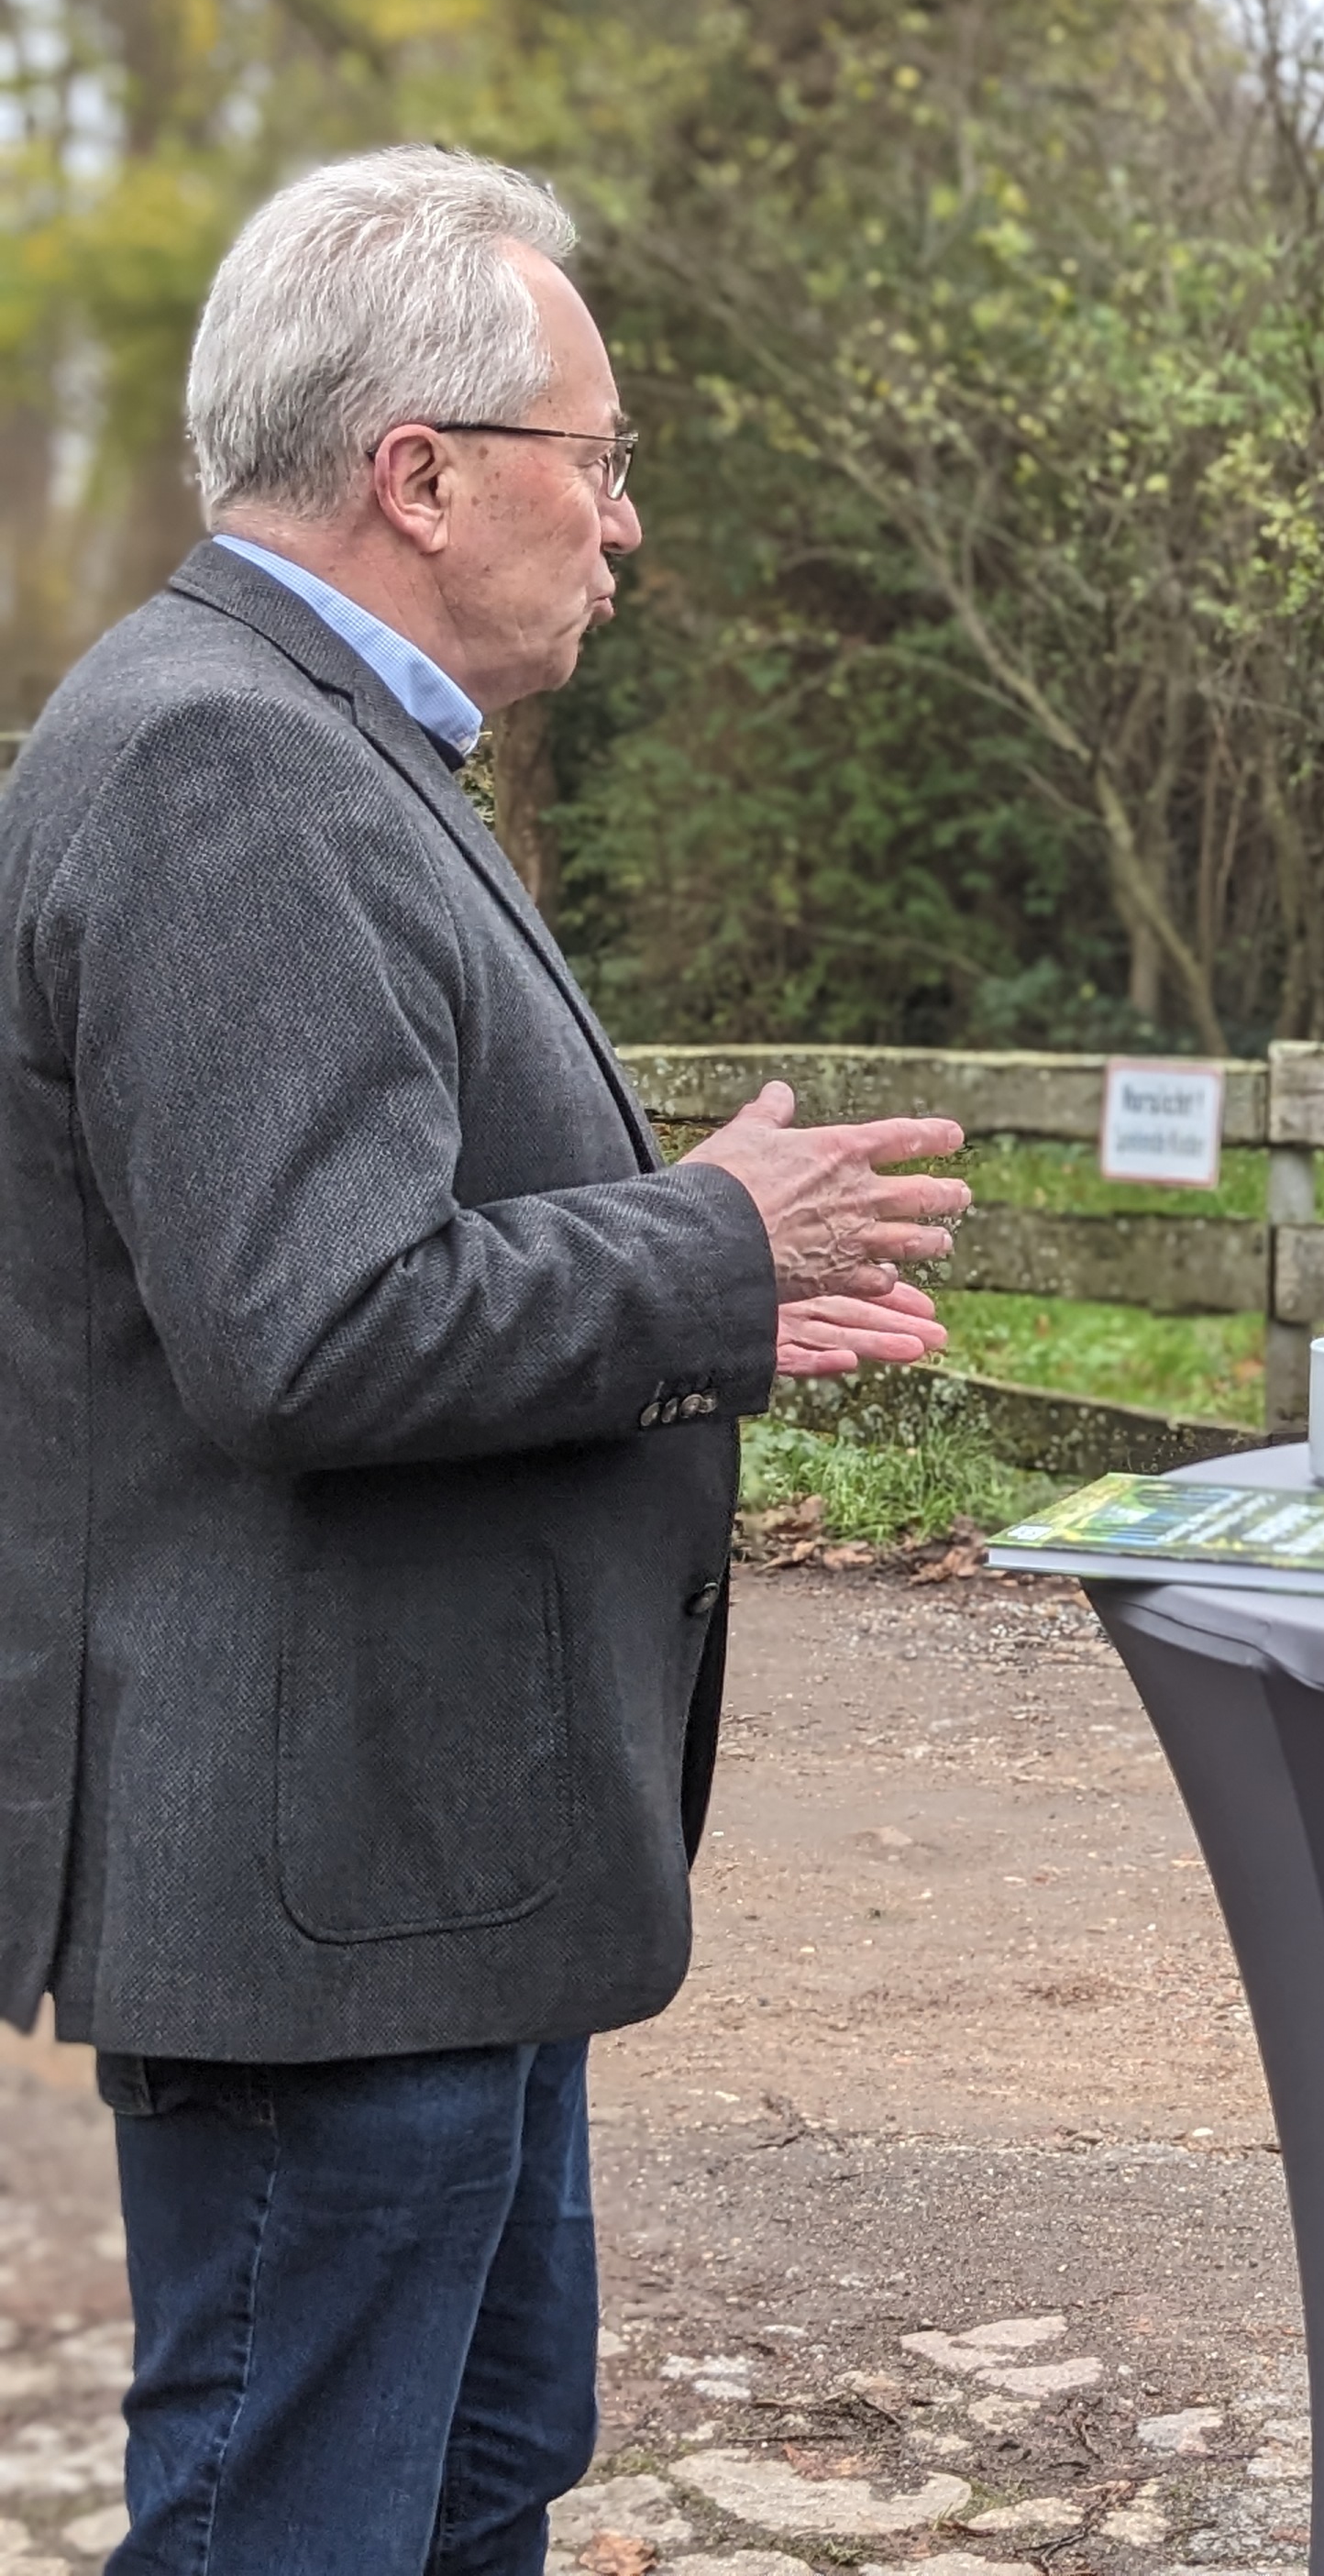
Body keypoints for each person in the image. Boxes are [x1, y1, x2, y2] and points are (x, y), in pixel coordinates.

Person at [0, 147, 976, 2574]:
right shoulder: (227, 759)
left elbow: (360, 1252)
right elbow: (309, 1331)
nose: (627, 526)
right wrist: (694, 1259)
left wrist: (715, 1275)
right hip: (334, 1903)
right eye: (603, 458)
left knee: (458, 2485)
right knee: (291, 2518)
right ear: (419, 474)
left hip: (426, 1871)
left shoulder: (316, 742)